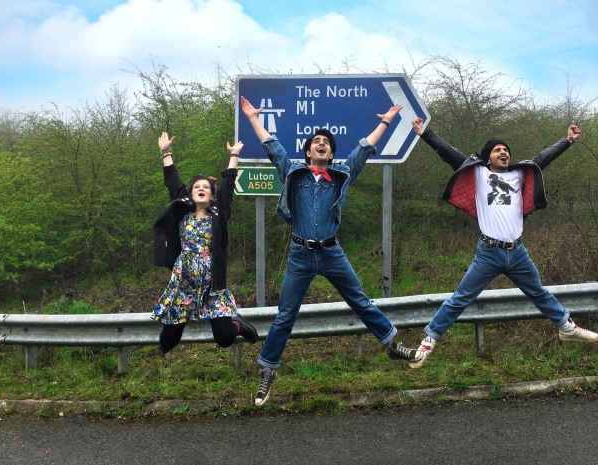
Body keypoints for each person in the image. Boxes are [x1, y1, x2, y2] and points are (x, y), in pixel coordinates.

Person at [240, 96, 420, 406]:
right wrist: (254, 117)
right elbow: (272, 146)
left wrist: (386, 121)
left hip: (331, 252)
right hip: (300, 255)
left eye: (327, 142)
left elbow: (363, 150)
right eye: (316, 142)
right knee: (285, 316)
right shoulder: (293, 173)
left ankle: (390, 344)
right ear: (308, 151)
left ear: (331, 153)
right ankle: (268, 370)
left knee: (360, 301)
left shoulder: (341, 175)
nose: (322, 144)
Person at [408, 118, 598, 369]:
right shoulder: (478, 173)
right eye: (498, 149)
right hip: (488, 253)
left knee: (538, 292)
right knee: (460, 299)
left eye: (506, 150)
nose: (504, 152)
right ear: (488, 158)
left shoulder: (520, 174)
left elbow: (544, 158)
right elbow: (450, 154)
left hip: (518, 252)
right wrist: (425, 134)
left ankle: (566, 328)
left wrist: (567, 141)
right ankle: (428, 343)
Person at [151, 132, 258, 354]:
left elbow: (229, 184)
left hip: (212, 283)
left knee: (225, 338)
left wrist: (234, 155)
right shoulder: (182, 211)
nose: (201, 188)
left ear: (212, 195)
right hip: (184, 282)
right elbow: (172, 181)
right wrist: (165, 152)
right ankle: (171, 333)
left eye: (206, 187)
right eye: (197, 186)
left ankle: (237, 323)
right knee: (167, 342)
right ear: (190, 193)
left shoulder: (219, 213)